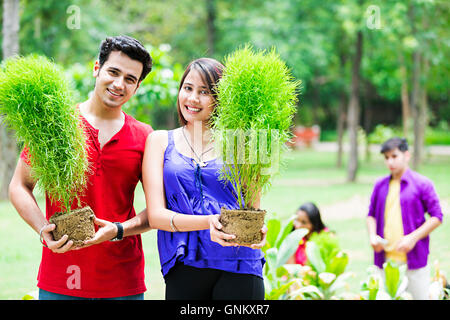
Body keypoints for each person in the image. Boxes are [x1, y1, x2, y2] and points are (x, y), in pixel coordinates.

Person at [8, 35, 154, 300]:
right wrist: (43, 229)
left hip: (123, 282)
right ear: (96, 68)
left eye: (130, 79)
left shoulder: (145, 136)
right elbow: (19, 185)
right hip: (59, 279)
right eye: (113, 72)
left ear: (138, 86)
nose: (119, 84)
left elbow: (158, 209)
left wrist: (119, 230)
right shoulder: (56, 127)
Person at [142, 57, 266, 300]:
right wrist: (209, 222)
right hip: (185, 260)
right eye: (187, 88)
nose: (193, 99)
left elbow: (252, 209)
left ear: (220, 99)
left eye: (205, 92)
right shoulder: (159, 141)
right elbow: (156, 216)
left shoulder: (243, 143)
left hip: (239, 261)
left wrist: (258, 228)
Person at [366, 137, 443, 300]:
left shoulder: (422, 184)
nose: (390, 162)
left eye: (394, 156)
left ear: (406, 155)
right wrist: (372, 237)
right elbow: (371, 215)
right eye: (386, 158)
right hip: (385, 260)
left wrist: (412, 238)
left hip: (414, 261)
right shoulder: (380, 185)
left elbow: (437, 216)